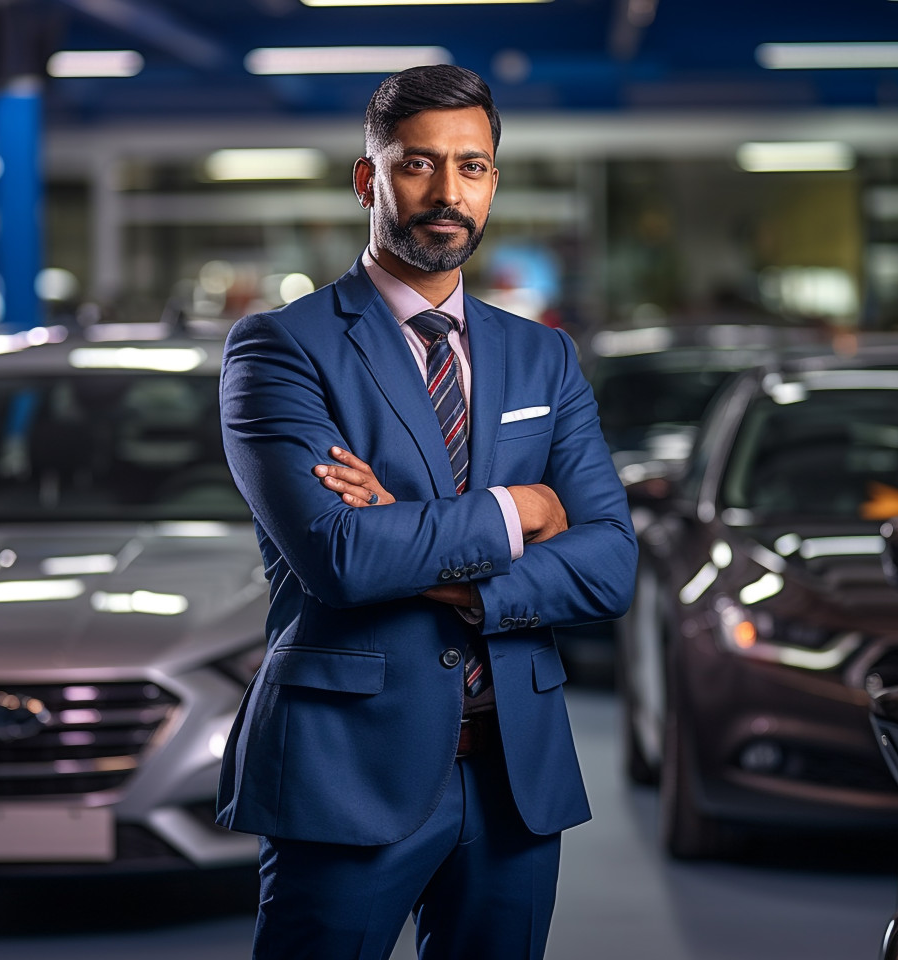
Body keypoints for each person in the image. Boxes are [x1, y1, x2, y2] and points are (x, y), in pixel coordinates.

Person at [216, 64, 637, 960]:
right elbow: (340, 557)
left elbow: (609, 564)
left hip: (513, 772)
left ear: (493, 181)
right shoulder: (283, 349)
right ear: (369, 179)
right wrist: (524, 507)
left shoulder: (543, 360)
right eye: (418, 165)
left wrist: (423, 544)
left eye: (473, 166)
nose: (448, 193)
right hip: (346, 770)